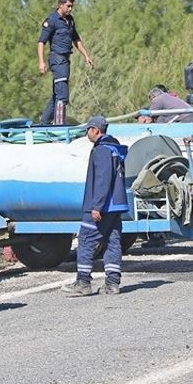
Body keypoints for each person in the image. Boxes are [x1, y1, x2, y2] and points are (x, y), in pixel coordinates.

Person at [63, 116, 129, 296]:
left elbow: (102, 179)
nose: (86, 133)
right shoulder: (115, 148)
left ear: (96, 130)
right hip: (116, 205)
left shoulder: (101, 150)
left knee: (85, 240)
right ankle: (112, 283)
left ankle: (83, 283)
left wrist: (96, 206)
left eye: (88, 129)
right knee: (112, 242)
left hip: (103, 206)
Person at [37, 0, 94, 124]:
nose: (70, 9)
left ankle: (44, 122)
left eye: (71, 6)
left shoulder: (70, 20)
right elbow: (41, 42)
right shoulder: (52, 20)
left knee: (57, 94)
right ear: (60, 5)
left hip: (66, 59)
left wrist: (86, 56)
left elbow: (76, 39)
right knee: (62, 95)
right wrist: (41, 62)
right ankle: (60, 125)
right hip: (57, 59)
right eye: (68, 6)